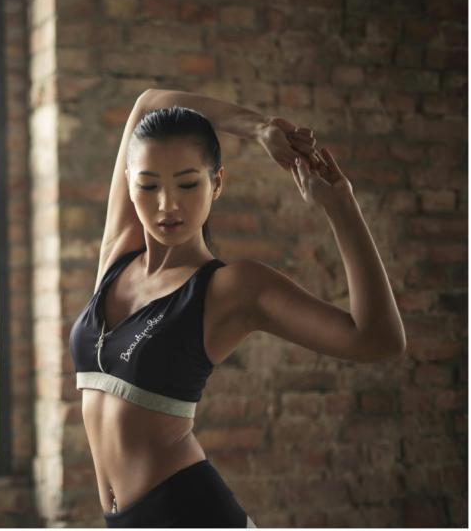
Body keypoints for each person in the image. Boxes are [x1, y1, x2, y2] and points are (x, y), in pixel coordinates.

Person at [67, 88, 406, 527]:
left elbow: (379, 340)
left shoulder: (231, 288)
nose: (167, 204)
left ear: (218, 183)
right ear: (129, 184)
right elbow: (149, 102)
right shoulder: (116, 257)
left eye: (188, 183)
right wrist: (260, 127)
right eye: (148, 185)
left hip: (190, 514)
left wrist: (341, 208)